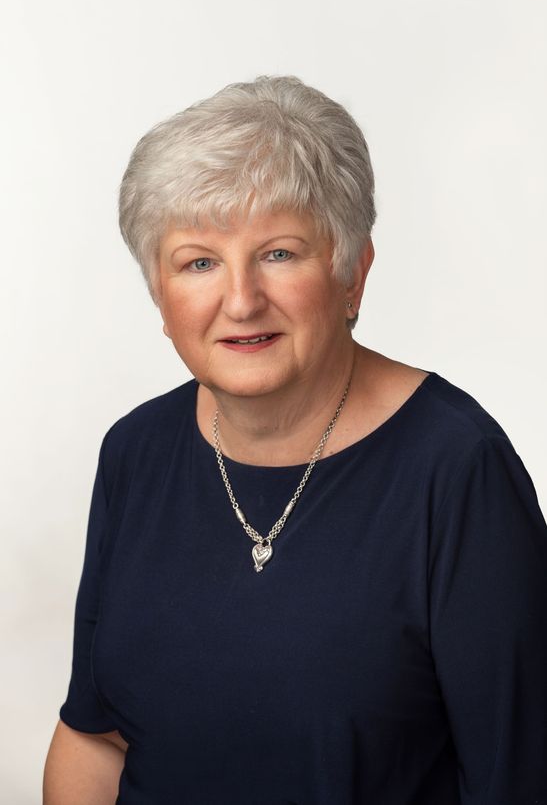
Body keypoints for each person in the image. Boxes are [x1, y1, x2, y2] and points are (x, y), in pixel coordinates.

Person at [43, 75, 547, 804]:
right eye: (198, 262)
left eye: (279, 253)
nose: (241, 299)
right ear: (160, 294)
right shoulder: (135, 451)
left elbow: (518, 782)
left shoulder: (455, 467)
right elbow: (95, 739)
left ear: (352, 273)